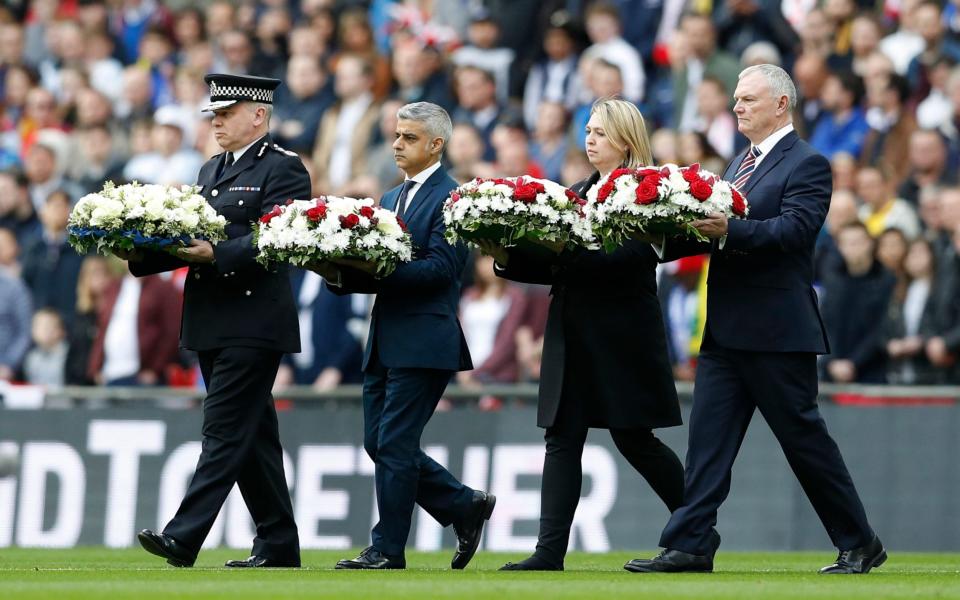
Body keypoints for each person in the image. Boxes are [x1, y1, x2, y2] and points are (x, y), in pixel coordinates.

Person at [627, 64, 885, 575]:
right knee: (707, 442)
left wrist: (730, 231)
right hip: (726, 328)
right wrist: (654, 232)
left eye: (747, 99)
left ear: (781, 104)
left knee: (803, 441)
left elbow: (795, 232)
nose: (737, 107)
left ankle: (860, 542)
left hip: (776, 330)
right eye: (737, 99)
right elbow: (712, 229)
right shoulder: (738, 162)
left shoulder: (807, 163)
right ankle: (691, 544)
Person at [481, 98, 684, 571]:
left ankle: (698, 530)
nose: (589, 140)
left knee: (635, 438)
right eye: (587, 131)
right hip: (573, 330)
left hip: (621, 335)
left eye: (599, 132)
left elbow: (628, 259)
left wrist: (563, 251)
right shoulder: (578, 191)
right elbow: (557, 267)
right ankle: (548, 552)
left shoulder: (645, 192)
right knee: (563, 436)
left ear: (627, 141)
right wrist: (505, 255)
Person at [130, 74, 309, 569]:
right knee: (253, 438)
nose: (217, 122)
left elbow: (279, 238)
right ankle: (277, 545)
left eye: (227, 113)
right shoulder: (211, 169)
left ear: (259, 114)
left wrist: (218, 253)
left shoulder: (283, 169)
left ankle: (184, 537)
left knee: (224, 429)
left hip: (254, 321)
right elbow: (191, 237)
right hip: (212, 319)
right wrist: (140, 252)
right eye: (214, 114)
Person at [314, 102, 495, 571]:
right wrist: (332, 270)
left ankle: (387, 549)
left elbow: (441, 269)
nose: (396, 144)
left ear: (437, 144)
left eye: (409, 137)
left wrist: (379, 267)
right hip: (385, 338)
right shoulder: (391, 199)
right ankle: (462, 504)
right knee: (380, 443)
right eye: (396, 136)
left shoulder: (454, 199)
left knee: (392, 443)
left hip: (425, 339)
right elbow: (375, 272)